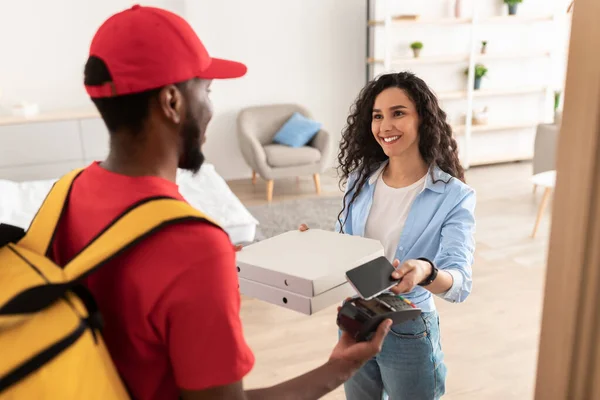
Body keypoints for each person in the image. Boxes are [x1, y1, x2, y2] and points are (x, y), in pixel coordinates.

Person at [49, 5, 392, 400]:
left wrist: (227, 264)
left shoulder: (67, 193)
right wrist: (342, 366)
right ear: (172, 102)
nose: (211, 108)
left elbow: (133, 286)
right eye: (207, 90)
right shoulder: (193, 248)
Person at [300, 71, 476, 399]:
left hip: (407, 328)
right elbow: (347, 248)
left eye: (398, 113)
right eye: (377, 116)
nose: (384, 126)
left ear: (423, 119)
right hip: (355, 317)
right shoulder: (360, 180)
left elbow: (460, 283)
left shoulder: (455, 196)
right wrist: (315, 245)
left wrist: (426, 271)